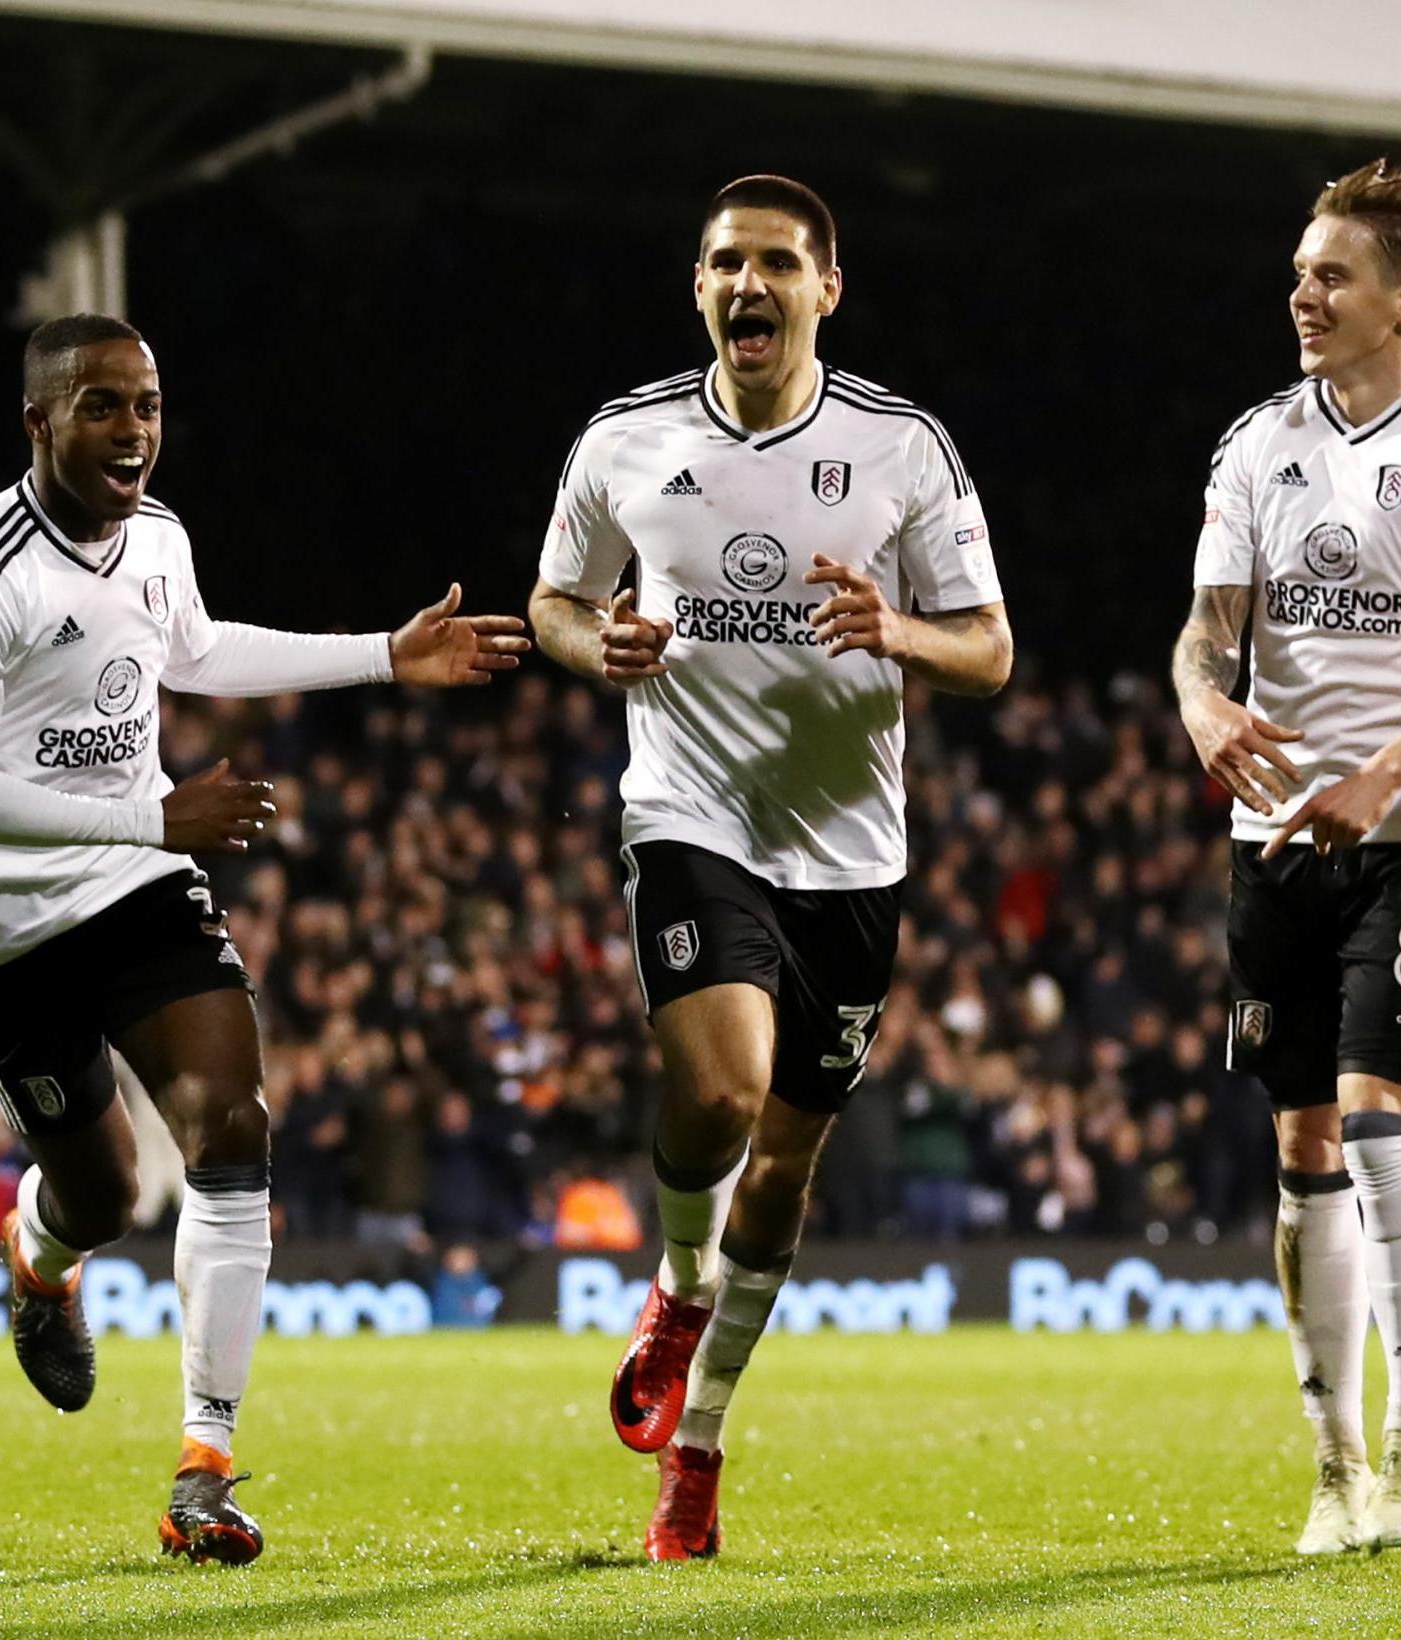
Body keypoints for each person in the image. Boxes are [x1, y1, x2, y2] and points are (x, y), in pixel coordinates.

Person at [0, 314, 527, 1564]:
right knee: (99, 1195)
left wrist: (381, 657)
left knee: (233, 1129)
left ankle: (205, 1466)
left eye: (146, 405)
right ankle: (40, 1253)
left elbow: (193, 648)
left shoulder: (161, 538)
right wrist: (154, 812)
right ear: (37, 422)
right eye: (101, 406)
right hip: (9, 921)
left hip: (137, 880)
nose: (133, 429)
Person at [527, 175, 1013, 1562]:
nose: (751, 283)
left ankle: (698, 1445)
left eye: (779, 264)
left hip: (850, 851)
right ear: (699, 287)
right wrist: (597, 642)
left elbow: (989, 649)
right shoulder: (625, 438)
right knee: (722, 1089)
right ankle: (680, 1283)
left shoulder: (901, 446)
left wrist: (899, 632)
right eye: (727, 262)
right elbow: (554, 599)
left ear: (826, 290)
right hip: (691, 811)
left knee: (787, 1164)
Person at [1170, 161, 1401, 1554]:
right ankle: (1334, 1464)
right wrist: (1204, 705)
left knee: (1386, 1120)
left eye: (1331, 275)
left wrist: (1384, 774)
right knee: (1303, 1146)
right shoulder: (1254, 443)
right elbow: (1207, 632)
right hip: (1275, 840)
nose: (1303, 294)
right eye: (1299, 271)